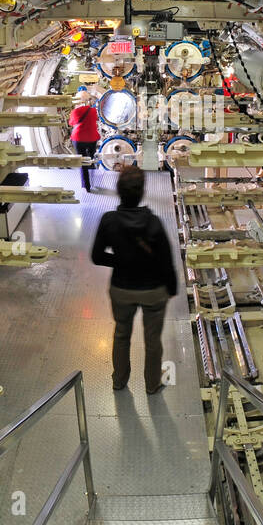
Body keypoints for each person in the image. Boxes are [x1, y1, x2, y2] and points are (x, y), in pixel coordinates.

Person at [90, 166, 180, 394]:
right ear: (141, 193)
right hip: (153, 291)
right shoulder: (154, 223)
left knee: (121, 334)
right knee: (153, 341)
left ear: (119, 191)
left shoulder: (109, 220)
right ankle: (152, 384)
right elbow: (167, 261)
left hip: (122, 289)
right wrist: (171, 288)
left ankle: (119, 381)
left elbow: (97, 256)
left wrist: (122, 261)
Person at [69, 88, 100, 191]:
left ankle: (86, 186)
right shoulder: (92, 111)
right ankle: (94, 176)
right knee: (90, 158)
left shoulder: (75, 112)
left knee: (82, 162)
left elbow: (71, 123)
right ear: (88, 100)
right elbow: (95, 120)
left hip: (79, 139)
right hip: (92, 138)